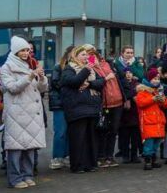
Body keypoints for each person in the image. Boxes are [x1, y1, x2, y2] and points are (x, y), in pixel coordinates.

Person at [0, 37, 47, 189]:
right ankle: (15, 178)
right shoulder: (6, 68)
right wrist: (30, 76)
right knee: (16, 148)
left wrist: (42, 78)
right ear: (15, 51)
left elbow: (41, 89)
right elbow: (12, 87)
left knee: (30, 146)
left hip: (32, 114)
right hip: (17, 113)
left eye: (27, 50)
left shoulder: (30, 65)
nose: (26, 53)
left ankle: (28, 175)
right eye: (23, 50)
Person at [59, 45, 105, 174]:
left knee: (91, 138)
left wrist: (89, 84)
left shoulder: (92, 70)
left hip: (92, 108)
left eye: (87, 55)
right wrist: (86, 70)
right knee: (78, 138)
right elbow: (74, 82)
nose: (86, 57)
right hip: (77, 109)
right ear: (75, 56)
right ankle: (77, 165)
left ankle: (90, 164)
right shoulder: (70, 68)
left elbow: (101, 82)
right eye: (83, 55)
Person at [92, 49, 124, 168]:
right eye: (90, 56)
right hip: (103, 104)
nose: (94, 58)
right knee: (102, 130)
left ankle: (110, 156)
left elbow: (122, 76)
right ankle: (101, 156)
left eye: (95, 55)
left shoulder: (109, 64)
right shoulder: (90, 69)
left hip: (118, 102)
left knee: (114, 130)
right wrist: (106, 78)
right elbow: (94, 84)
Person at [134, 72, 167, 170]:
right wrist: (152, 99)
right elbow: (140, 103)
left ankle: (153, 159)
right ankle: (148, 161)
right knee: (148, 143)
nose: (156, 81)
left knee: (156, 142)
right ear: (148, 80)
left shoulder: (158, 91)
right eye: (154, 79)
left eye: (158, 79)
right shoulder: (142, 92)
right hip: (148, 121)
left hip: (158, 121)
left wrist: (163, 100)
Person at [48, 46, 73, 170]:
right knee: (60, 131)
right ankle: (57, 157)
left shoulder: (77, 68)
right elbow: (55, 83)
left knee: (69, 131)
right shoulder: (59, 67)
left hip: (71, 104)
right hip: (60, 103)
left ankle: (67, 156)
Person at [117, 69, 141, 163]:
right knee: (124, 137)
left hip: (135, 114)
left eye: (130, 72)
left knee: (135, 137)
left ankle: (134, 155)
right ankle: (125, 155)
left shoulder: (137, 84)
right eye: (126, 73)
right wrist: (132, 93)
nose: (128, 75)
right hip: (124, 115)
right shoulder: (120, 84)